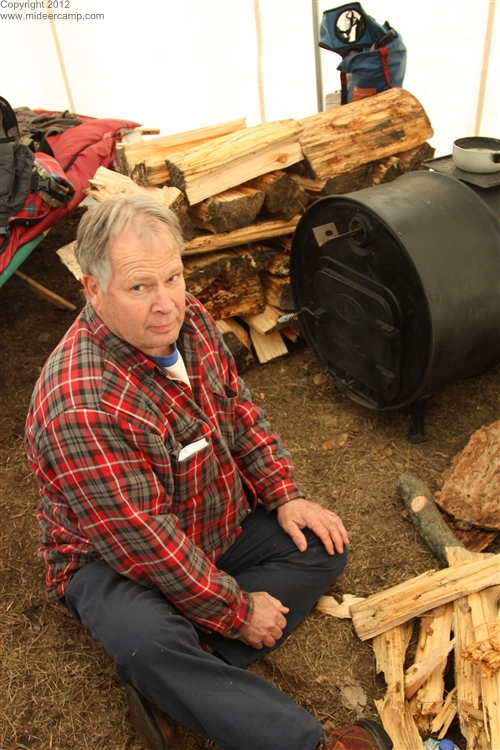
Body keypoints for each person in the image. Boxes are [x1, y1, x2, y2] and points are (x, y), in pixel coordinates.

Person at [25, 195, 392, 750]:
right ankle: (306, 743)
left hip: (207, 522)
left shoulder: (189, 318)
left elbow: (239, 410)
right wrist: (237, 610)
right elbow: (146, 543)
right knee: (145, 642)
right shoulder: (81, 403)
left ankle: (178, 682)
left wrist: (284, 494)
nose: (166, 303)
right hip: (110, 561)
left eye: (172, 276)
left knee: (322, 543)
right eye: (139, 286)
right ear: (93, 289)